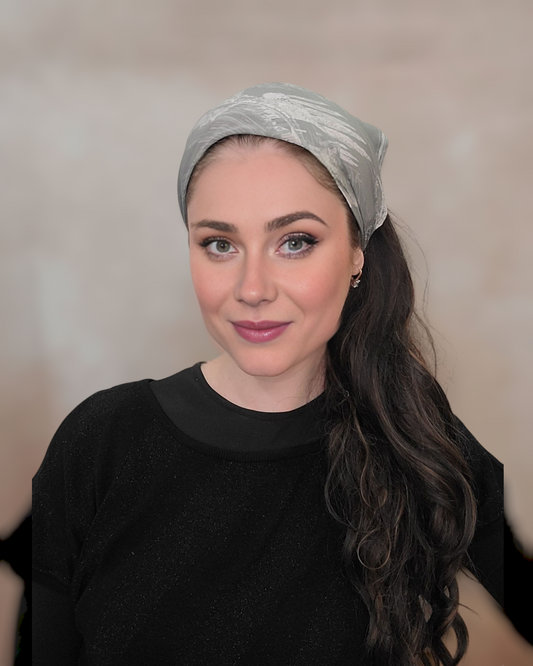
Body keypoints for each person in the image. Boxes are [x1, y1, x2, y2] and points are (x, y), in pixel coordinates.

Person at [32, 83, 521, 665]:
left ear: (358, 252)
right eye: (220, 244)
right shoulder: (100, 441)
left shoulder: (410, 432)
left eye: (295, 242)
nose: (253, 289)